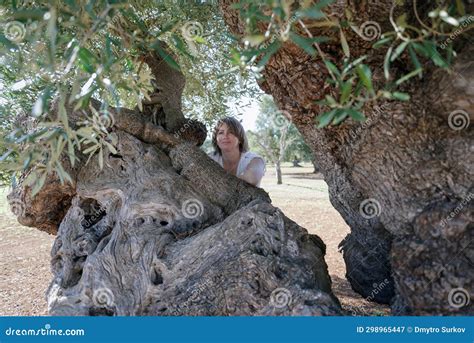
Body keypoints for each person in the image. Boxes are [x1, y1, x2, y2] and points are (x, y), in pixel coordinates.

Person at [208, 117, 266, 188]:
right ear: (216, 139)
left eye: (231, 132)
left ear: (240, 139)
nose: (225, 136)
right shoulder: (210, 159)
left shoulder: (255, 160)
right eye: (221, 132)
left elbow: (251, 179)